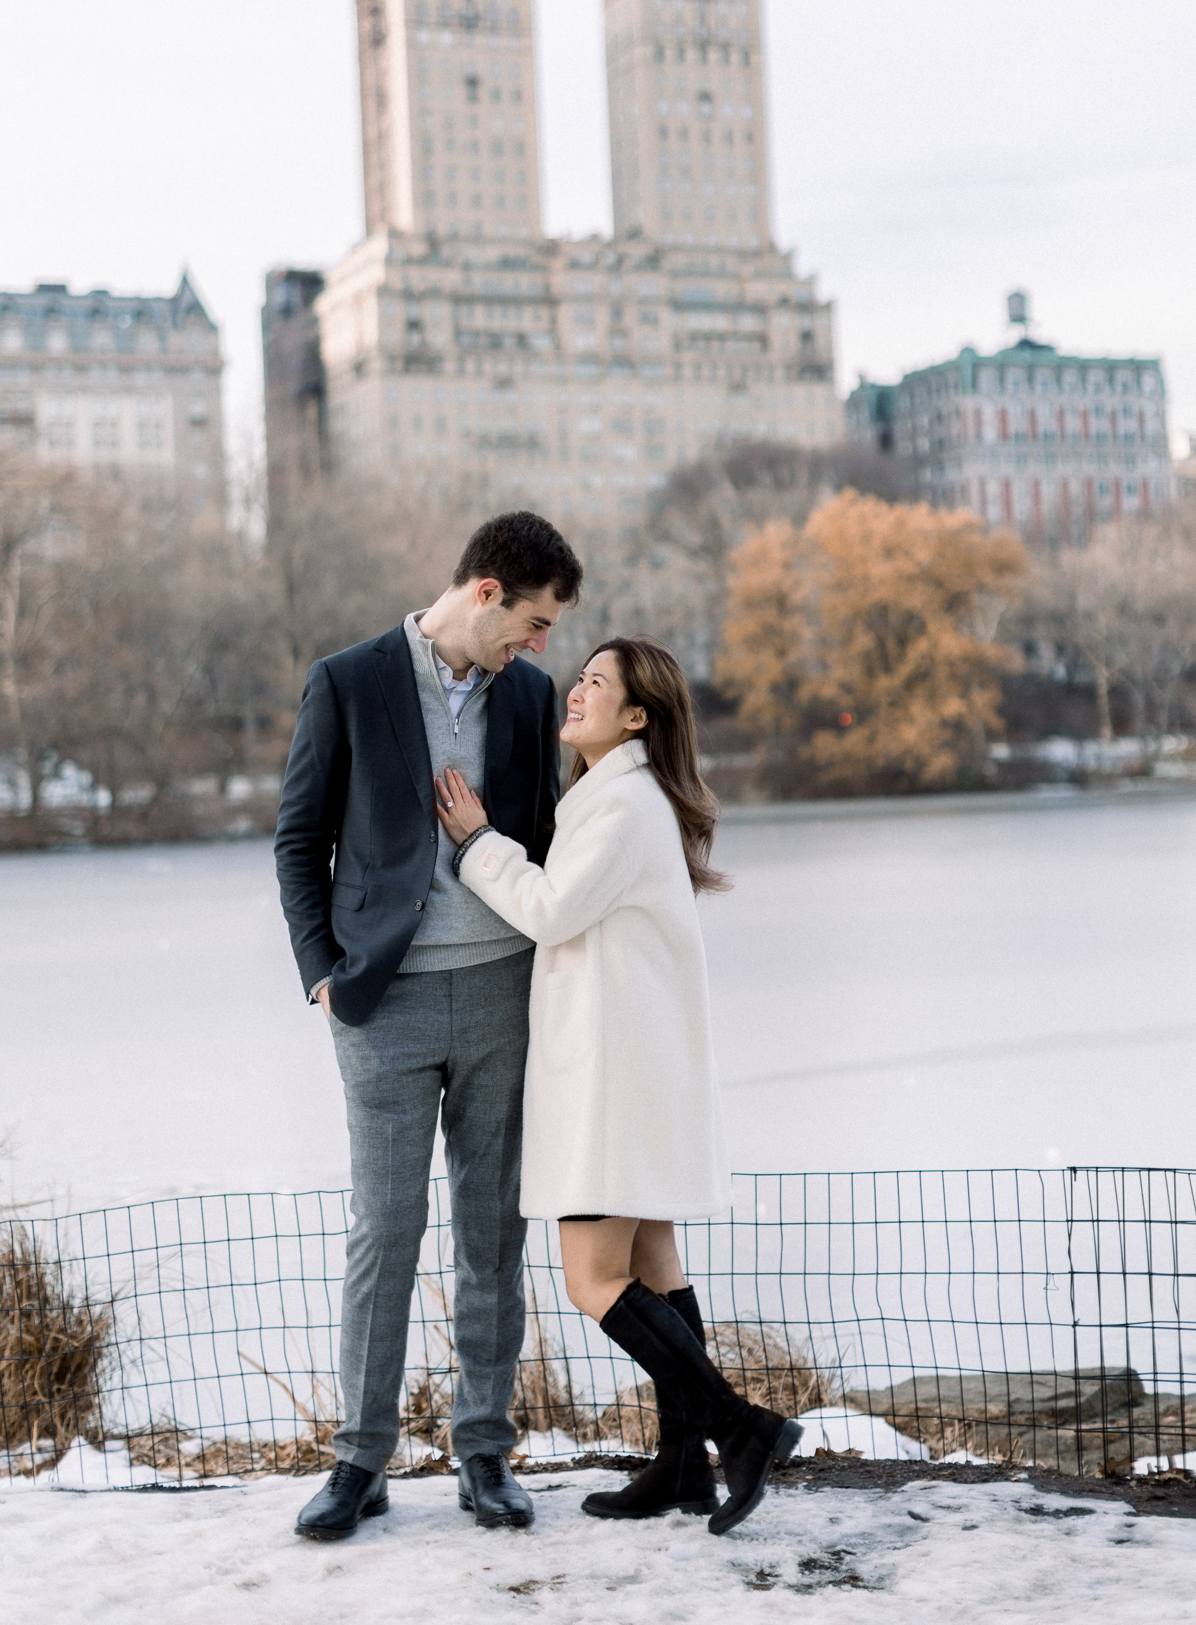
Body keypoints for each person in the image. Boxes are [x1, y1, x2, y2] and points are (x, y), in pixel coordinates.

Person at [437, 635, 802, 1537]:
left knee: (592, 1280)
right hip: (637, 1069)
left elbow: (551, 910)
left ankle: (740, 1430)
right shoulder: (618, 799)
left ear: (636, 716)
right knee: (651, 1270)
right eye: (583, 676)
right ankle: (683, 1466)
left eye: (599, 683)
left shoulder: (623, 808)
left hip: (611, 1078)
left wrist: (478, 842)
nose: (579, 690)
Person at [275, 511, 583, 1543]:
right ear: (487, 591)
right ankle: (359, 1459)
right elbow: (297, 836)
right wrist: (320, 966)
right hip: (383, 1002)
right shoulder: (349, 679)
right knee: (384, 1229)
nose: (539, 647)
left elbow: (541, 838)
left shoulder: (530, 699)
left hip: (503, 992)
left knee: (493, 1230)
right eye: (533, 622)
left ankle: (483, 1449)